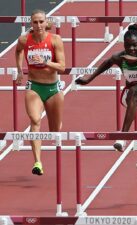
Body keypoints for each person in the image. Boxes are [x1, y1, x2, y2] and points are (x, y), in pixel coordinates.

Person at [75, 24, 137, 189]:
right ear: (123, 45)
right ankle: (122, 137)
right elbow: (106, 63)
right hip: (130, 95)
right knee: (136, 89)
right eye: (128, 46)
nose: (131, 49)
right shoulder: (120, 57)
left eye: (135, 46)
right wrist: (89, 79)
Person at [15, 9, 66, 175]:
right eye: (35, 22)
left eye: (41, 22)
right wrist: (20, 70)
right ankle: (37, 162)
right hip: (34, 86)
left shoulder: (56, 40)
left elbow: (62, 67)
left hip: (53, 88)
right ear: (31, 24)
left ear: (46, 23)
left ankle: (55, 125)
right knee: (35, 120)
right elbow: (17, 51)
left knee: (54, 131)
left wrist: (46, 61)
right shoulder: (24, 39)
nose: (38, 25)